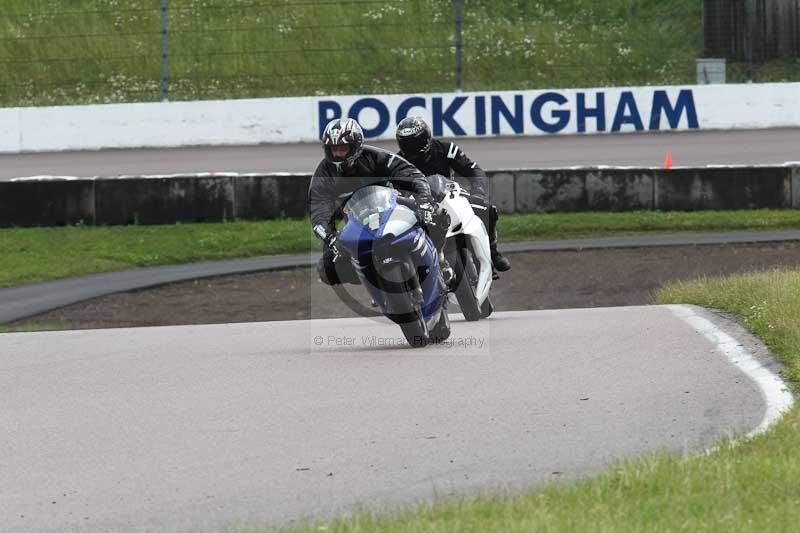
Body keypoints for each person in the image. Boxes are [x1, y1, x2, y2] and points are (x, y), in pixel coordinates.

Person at [308, 118, 452, 287]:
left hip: (393, 206)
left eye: (343, 148)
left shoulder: (375, 156)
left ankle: (440, 259)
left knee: (438, 214)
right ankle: (375, 282)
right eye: (333, 149)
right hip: (357, 223)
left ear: (356, 146)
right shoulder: (323, 173)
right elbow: (318, 209)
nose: (338, 154)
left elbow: (411, 174)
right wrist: (331, 238)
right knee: (327, 269)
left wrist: (424, 201)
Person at [395, 116, 511, 272]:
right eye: (406, 143)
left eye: (415, 142)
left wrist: (478, 192)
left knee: (487, 209)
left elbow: (473, 170)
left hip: (449, 196)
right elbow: (390, 187)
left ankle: (493, 251)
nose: (411, 148)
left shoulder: (446, 149)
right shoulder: (397, 162)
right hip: (420, 207)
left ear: (426, 138)